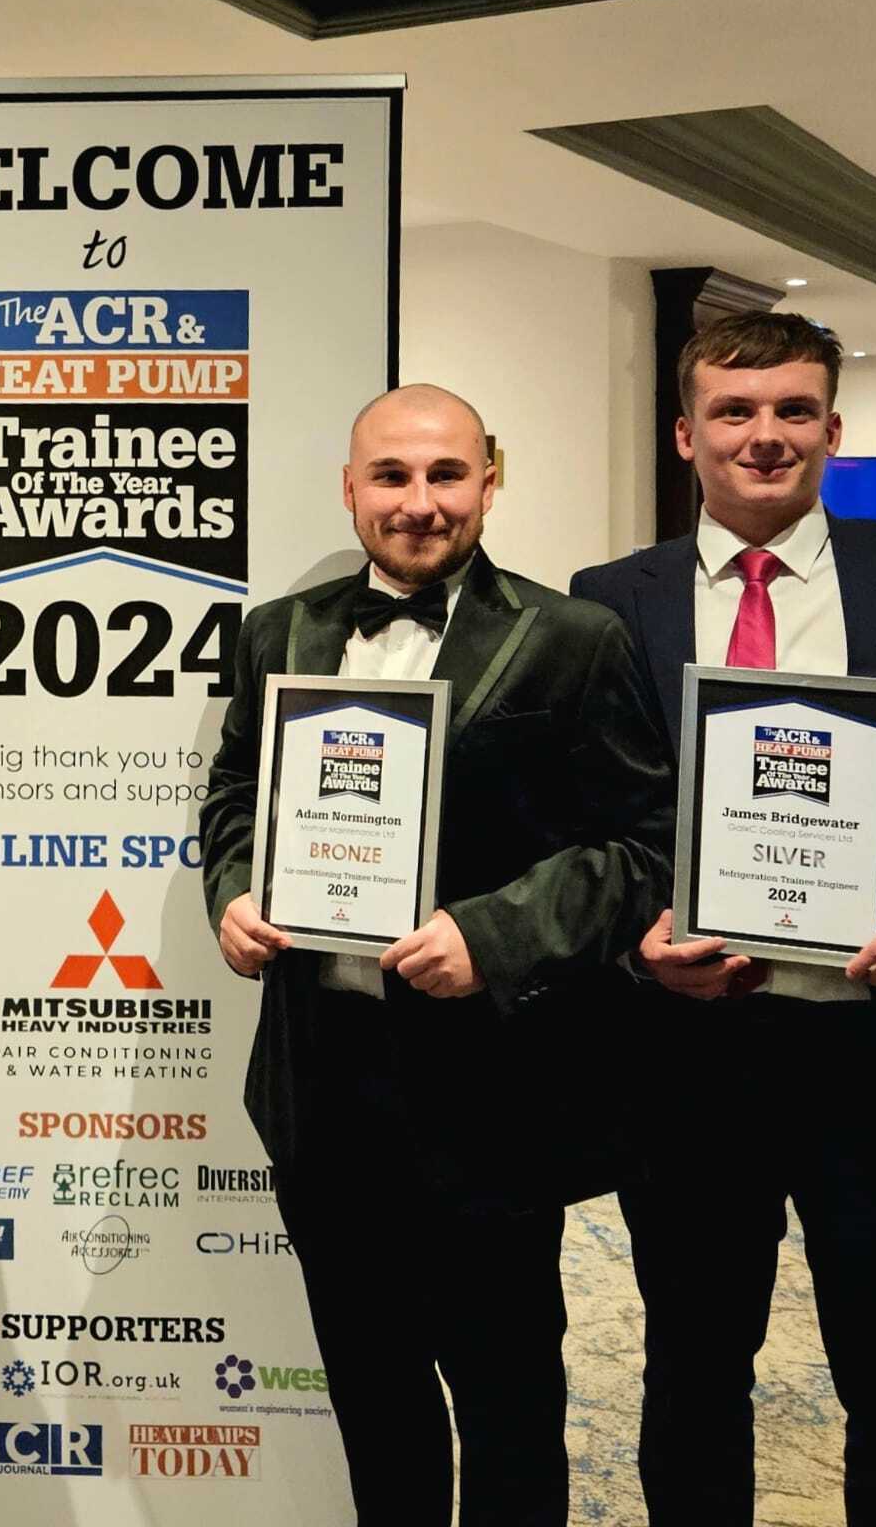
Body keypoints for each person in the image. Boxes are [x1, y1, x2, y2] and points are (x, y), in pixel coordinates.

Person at [570, 310, 876, 1525]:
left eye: (793, 410)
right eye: (734, 412)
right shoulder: (605, 601)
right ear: (685, 434)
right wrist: (636, 937)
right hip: (691, 1059)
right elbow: (584, 819)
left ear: (831, 430)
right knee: (690, 1369)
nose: (764, 435)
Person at [197, 383, 675, 1525]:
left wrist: (491, 931)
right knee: (370, 1395)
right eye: (392, 476)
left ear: (487, 481)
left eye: (445, 475)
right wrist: (233, 894)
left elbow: (643, 847)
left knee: (508, 1398)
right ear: (350, 488)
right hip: (323, 1081)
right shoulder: (279, 630)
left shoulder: (572, 637)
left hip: (492, 1086)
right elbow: (231, 798)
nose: (419, 503)